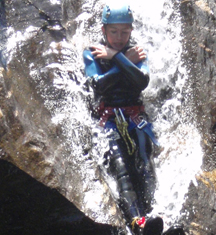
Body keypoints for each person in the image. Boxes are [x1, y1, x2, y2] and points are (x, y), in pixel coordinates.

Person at [82, 2, 164, 235]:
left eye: (124, 32)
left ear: (131, 31)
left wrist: (118, 57)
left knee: (145, 162)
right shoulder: (93, 53)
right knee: (122, 170)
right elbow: (98, 85)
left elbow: (142, 81)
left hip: (136, 117)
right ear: (103, 31)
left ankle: (154, 219)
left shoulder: (136, 52)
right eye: (114, 32)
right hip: (108, 119)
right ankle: (138, 225)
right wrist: (120, 59)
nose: (119, 37)